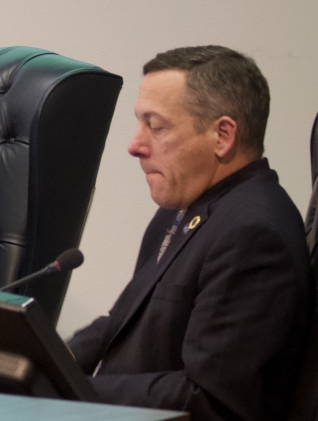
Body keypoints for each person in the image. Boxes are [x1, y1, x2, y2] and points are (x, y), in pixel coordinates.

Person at [67, 46, 312, 421]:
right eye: (139, 123)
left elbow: (212, 400)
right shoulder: (182, 211)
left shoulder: (254, 234)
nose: (135, 145)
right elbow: (124, 318)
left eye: (157, 126)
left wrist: (69, 388)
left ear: (222, 136)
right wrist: (41, 358)